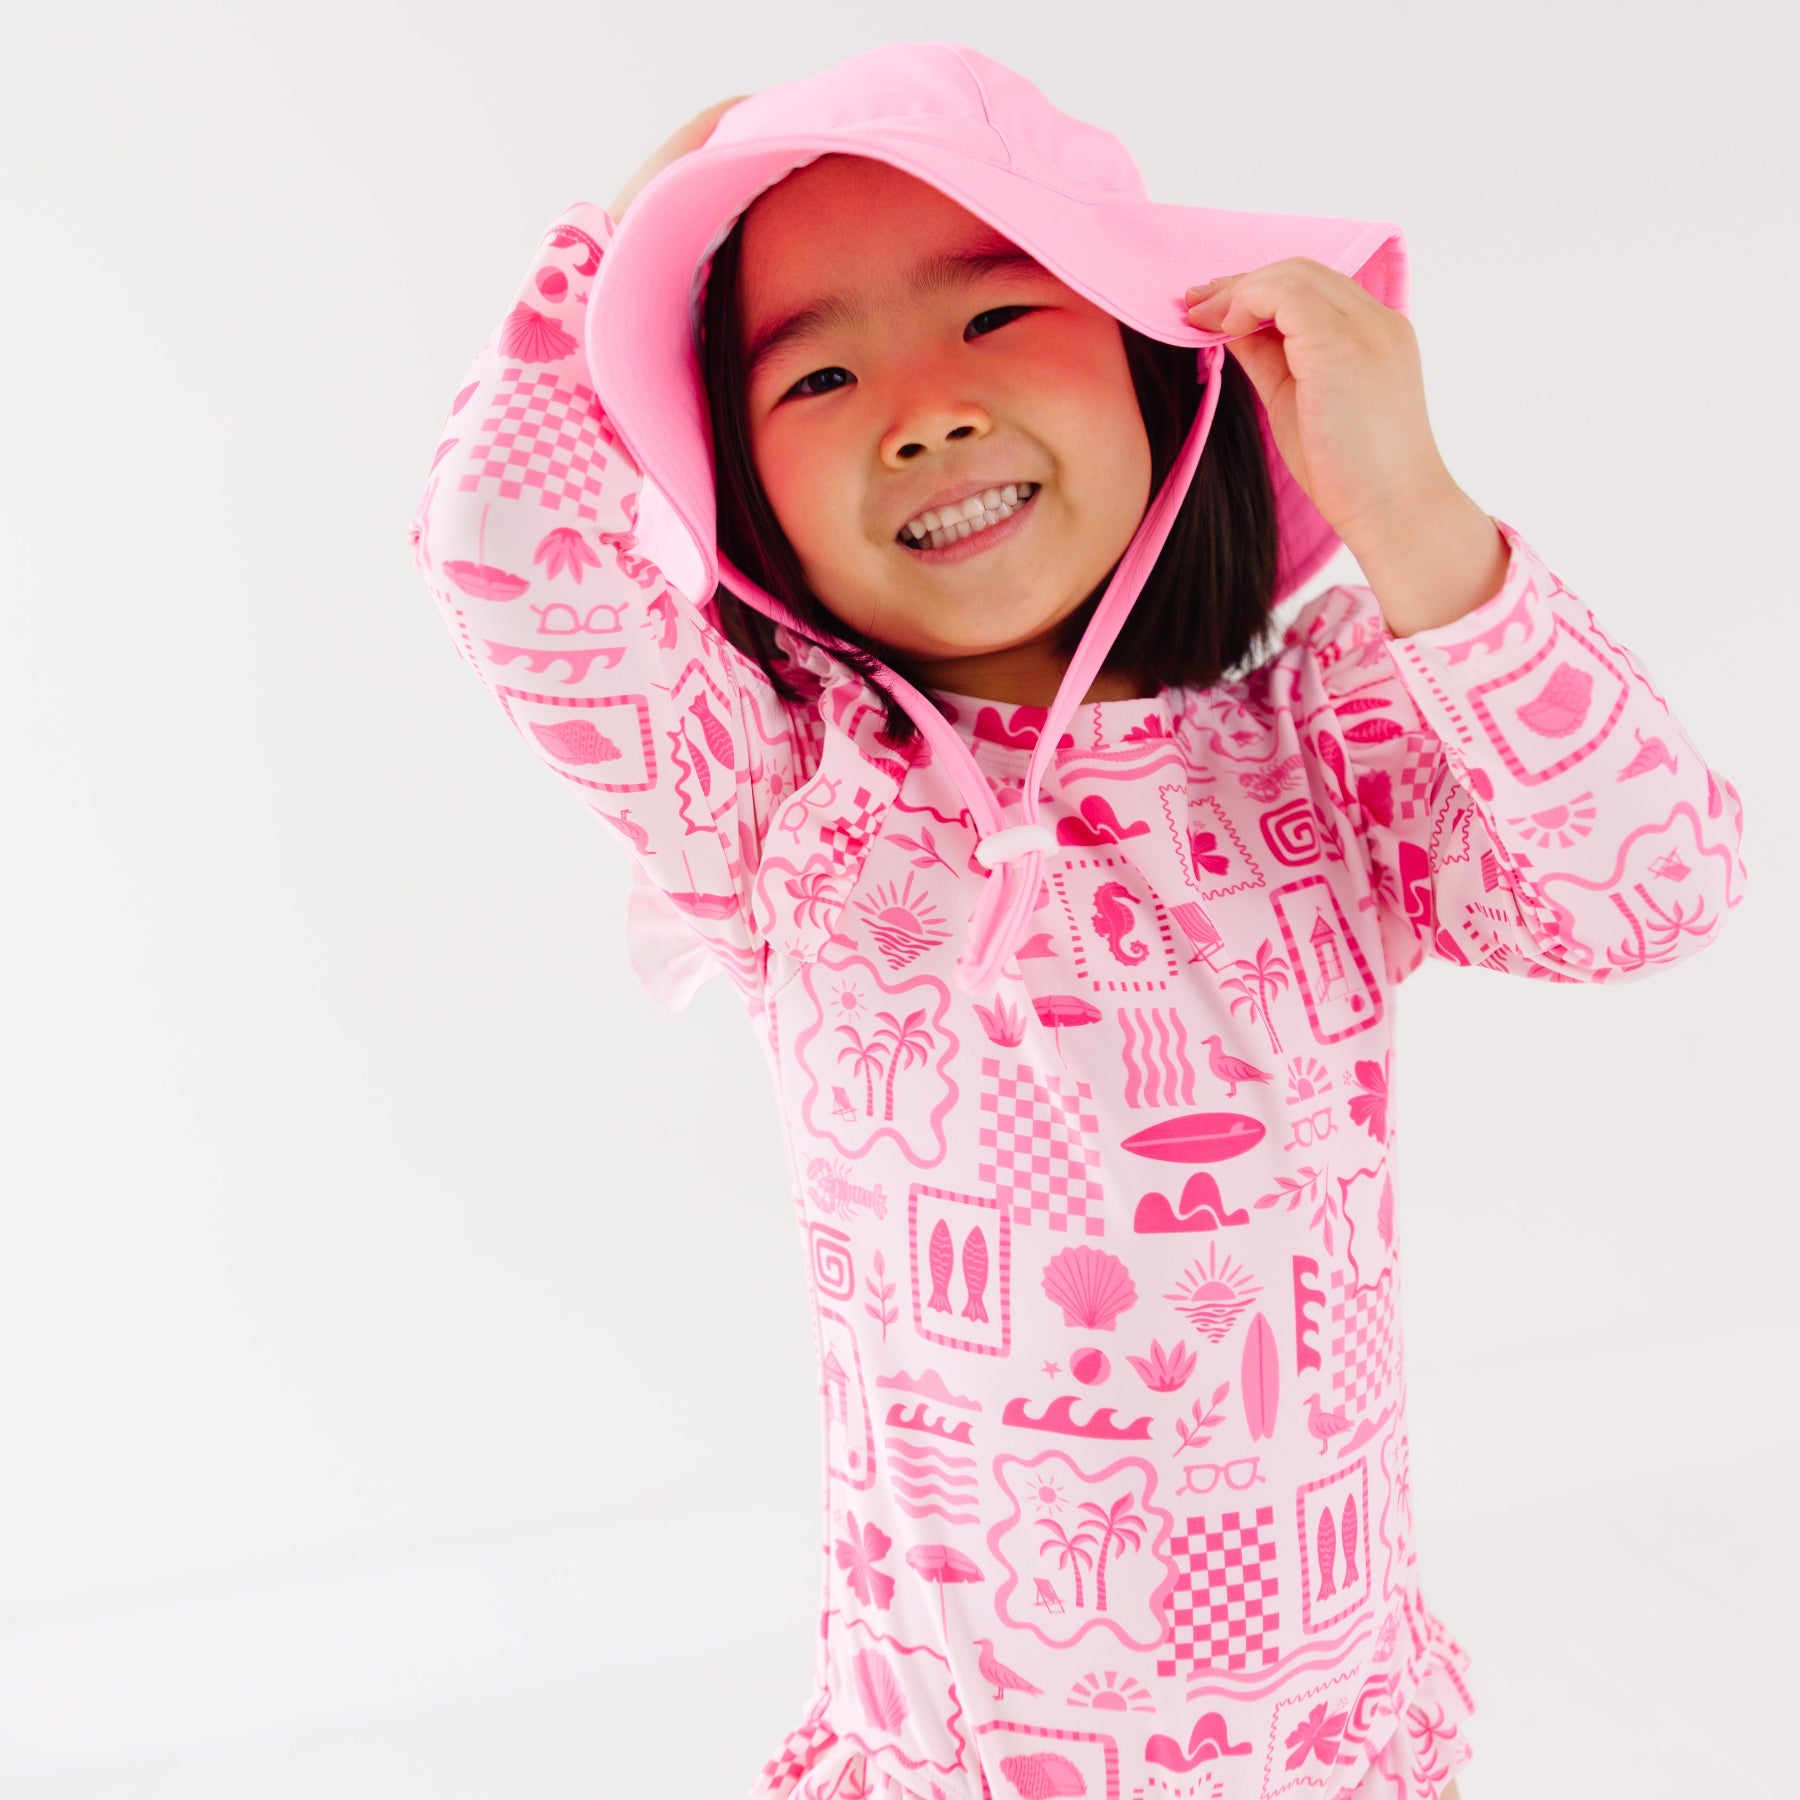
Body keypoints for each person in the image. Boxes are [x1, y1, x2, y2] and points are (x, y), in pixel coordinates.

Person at [406, 43, 1747, 1800]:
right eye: (817, 374)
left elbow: (1653, 884)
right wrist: (615, 244)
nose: (923, 413)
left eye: (993, 315)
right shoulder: (785, 794)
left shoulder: (1320, 733)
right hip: (954, 1753)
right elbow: (502, 546)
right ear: (744, 498)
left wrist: (1410, 506)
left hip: (1322, 1741)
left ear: (1155, 366)